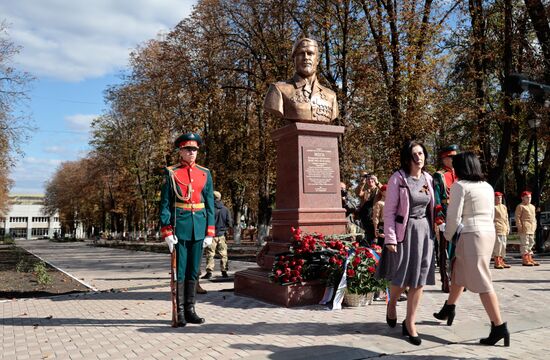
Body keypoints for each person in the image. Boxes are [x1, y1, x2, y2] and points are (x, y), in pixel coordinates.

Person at [433, 152, 510, 346]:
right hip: (486, 232)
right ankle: (449, 307)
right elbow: (490, 213)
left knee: (482, 281)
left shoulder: (460, 186)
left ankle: (499, 325)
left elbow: (453, 215)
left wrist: (448, 235)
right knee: (458, 272)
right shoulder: (487, 186)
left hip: (470, 234)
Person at [375, 140, 436, 346]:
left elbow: (432, 207)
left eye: (421, 153)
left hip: (424, 232)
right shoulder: (398, 179)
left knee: (419, 279)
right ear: (408, 157)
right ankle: (391, 303)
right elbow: (389, 212)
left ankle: (410, 322)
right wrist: (390, 238)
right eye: (415, 154)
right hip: (404, 232)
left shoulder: (428, 178)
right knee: (401, 277)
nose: (419, 157)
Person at [160, 132, 215, 327]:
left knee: (193, 270)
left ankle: (191, 310)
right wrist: (167, 231)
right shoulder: (171, 172)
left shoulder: (205, 173)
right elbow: (165, 204)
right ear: (180, 151)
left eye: (195, 149)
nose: (192, 153)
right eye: (188, 149)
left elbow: (209, 204)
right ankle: (180, 311)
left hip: (199, 228)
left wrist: (210, 231)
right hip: (180, 227)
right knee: (180, 272)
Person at [264, 38, 338, 123]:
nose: (306, 57)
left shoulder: (331, 96)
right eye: (301, 53)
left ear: (317, 60)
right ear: (293, 60)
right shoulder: (278, 90)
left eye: (310, 54)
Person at [433, 144, 459, 293]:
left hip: (459, 214)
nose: (454, 159)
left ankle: (458, 280)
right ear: (444, 158)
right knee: (445, 250)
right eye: (451, 157)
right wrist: (439, 218)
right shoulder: (439, 175)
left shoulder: (461, 174)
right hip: (446, 212)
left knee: (459, 250)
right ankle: (445, 281)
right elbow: (436, 198)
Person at [202, 191, 232, 279]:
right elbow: (229, 223)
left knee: (210, 254)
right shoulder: (225, 209)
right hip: (221, 235)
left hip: (211, 235)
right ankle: (224, 271)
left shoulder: (209, 209)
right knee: (223, 254)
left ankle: (209, 272)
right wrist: (224, 229)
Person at [515, 191, 539, 266]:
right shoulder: (520, 206)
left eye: (530, 197)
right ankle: (525, 259)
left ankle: (529, 257)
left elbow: (534, 218)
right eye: (527, 197)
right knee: (525, 243)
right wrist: (519, 226)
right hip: (524, 227)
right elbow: (517, 218)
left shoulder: (532, 206)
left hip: (531, 227)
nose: (529, 199)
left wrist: (535, 225)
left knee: (531, 243)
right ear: (522, 198)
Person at [356, 173, 380, 244]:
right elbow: (359, 194)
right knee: (367, 234)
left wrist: (377, 182)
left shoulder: (379, 189)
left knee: (375, 234)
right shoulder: (367, 191)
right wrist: (362, 183)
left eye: (372, 179)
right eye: (368, 179)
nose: (370, 180)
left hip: (375, 215)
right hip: (365, 215)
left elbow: (385, 192)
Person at [492, 192, 511, 269]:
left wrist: (508, 227)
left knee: (503, 245)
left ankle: (502, 260)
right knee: (498, 245)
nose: (499, 199)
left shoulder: (504, 207)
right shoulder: (493, 207)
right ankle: (497, 261)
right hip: (497, 227)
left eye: (500, 198)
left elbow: (506, 218)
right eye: (497, 198)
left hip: (504, 227)